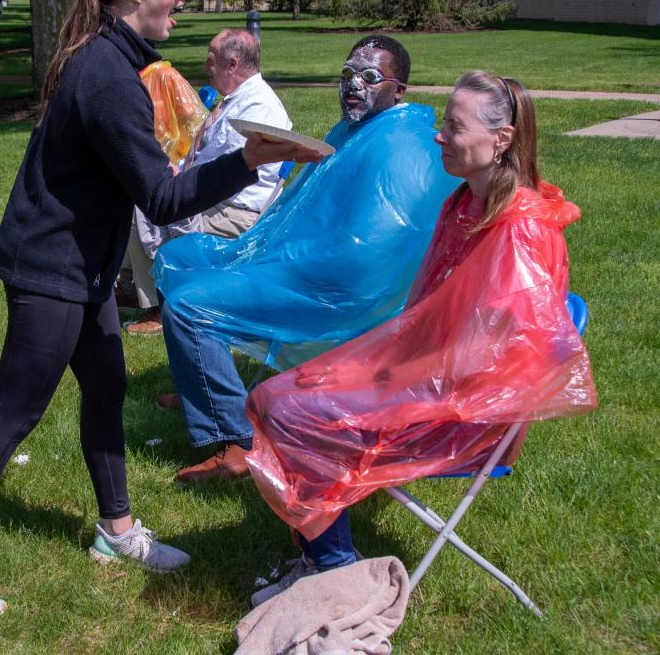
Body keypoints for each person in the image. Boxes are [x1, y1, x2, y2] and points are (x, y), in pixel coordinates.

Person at [0, 0, 323, 622]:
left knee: (105, 386)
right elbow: (161, 198)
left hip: (87, 261)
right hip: (49, 263)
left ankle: (116, 531)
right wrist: (251, 158)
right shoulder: (106, 77)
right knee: (16, 412)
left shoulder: (118, 64)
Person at [244, 71, 597, 605]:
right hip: (426, 383)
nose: (439, 136)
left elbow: (482, 360)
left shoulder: (519, 229)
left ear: (500, 139)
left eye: (454, 128)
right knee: (274, 397)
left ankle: (336, 570)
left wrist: (373, 378)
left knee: (294, 413)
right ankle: (322, 556)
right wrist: (352, 368)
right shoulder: (466, 205)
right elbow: (421, 320)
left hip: (467, 414)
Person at [154, 36, 460, 483]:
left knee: (186, 308)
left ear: (399, 89)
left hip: (333, 292)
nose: (354, 85)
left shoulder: (402, 146)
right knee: (181, 258)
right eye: (347, 75)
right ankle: (204, 385)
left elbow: (366, 259)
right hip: (296, 265)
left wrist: (281, 265)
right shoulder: (355, 130)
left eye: (370, 77)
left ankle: (235, 442)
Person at [123, 28, 292, 336]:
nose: (205, 67)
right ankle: (131, 284)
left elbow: (225, 170)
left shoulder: (258, 107)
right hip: (219, 198)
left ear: (233, 64)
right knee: (141, 193)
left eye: (211, 60)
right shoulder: (238, 99)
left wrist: (178, 178)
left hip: (235, 212)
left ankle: (159, 306)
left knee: (146, 209)